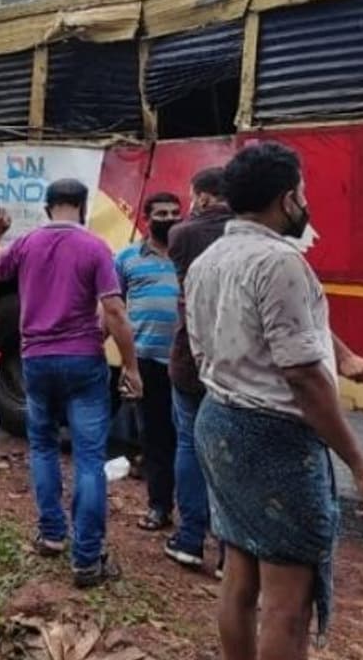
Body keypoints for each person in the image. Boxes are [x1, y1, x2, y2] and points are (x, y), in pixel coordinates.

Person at [185, 142, 363, 658]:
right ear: (287, 199)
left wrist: (341, 353)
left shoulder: (209, 260)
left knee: (239, 574)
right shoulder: (280, 263)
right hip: (274, 440)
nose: (306, 203)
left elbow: (204, 347)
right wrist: (361, 466)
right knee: (287, 605)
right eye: (303, 192)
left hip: (219, 422)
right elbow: (303, 376)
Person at [0, 179, 142, 589]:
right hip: (83, 361)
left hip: (36, 361)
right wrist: (131, 367)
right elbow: (114, 311)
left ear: (48, 207)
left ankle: (51, 534)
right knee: (89, 458)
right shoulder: (95, 247)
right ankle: (86, 559)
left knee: (44, 447)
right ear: (82, 207)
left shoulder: (27, 244)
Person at [164, 167, 235, 576]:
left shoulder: (182, 235)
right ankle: (230, 551)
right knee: (229, 453)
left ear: (204, 197)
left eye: (192, 196)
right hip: (235, 360)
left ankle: (190, 539)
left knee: (190, 444)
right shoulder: (249, 234)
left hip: (189, 355)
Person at [115, 192, 183, 532]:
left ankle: (197, 516)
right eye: (162, 213)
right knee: (155, 438)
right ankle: (159, 507)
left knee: (190, 441)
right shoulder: (127, 258)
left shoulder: (189, 256)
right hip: (146, 362)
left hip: (186, 363)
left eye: (174, 213)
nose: (169, 219)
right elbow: (112, 309)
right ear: (146, 219)